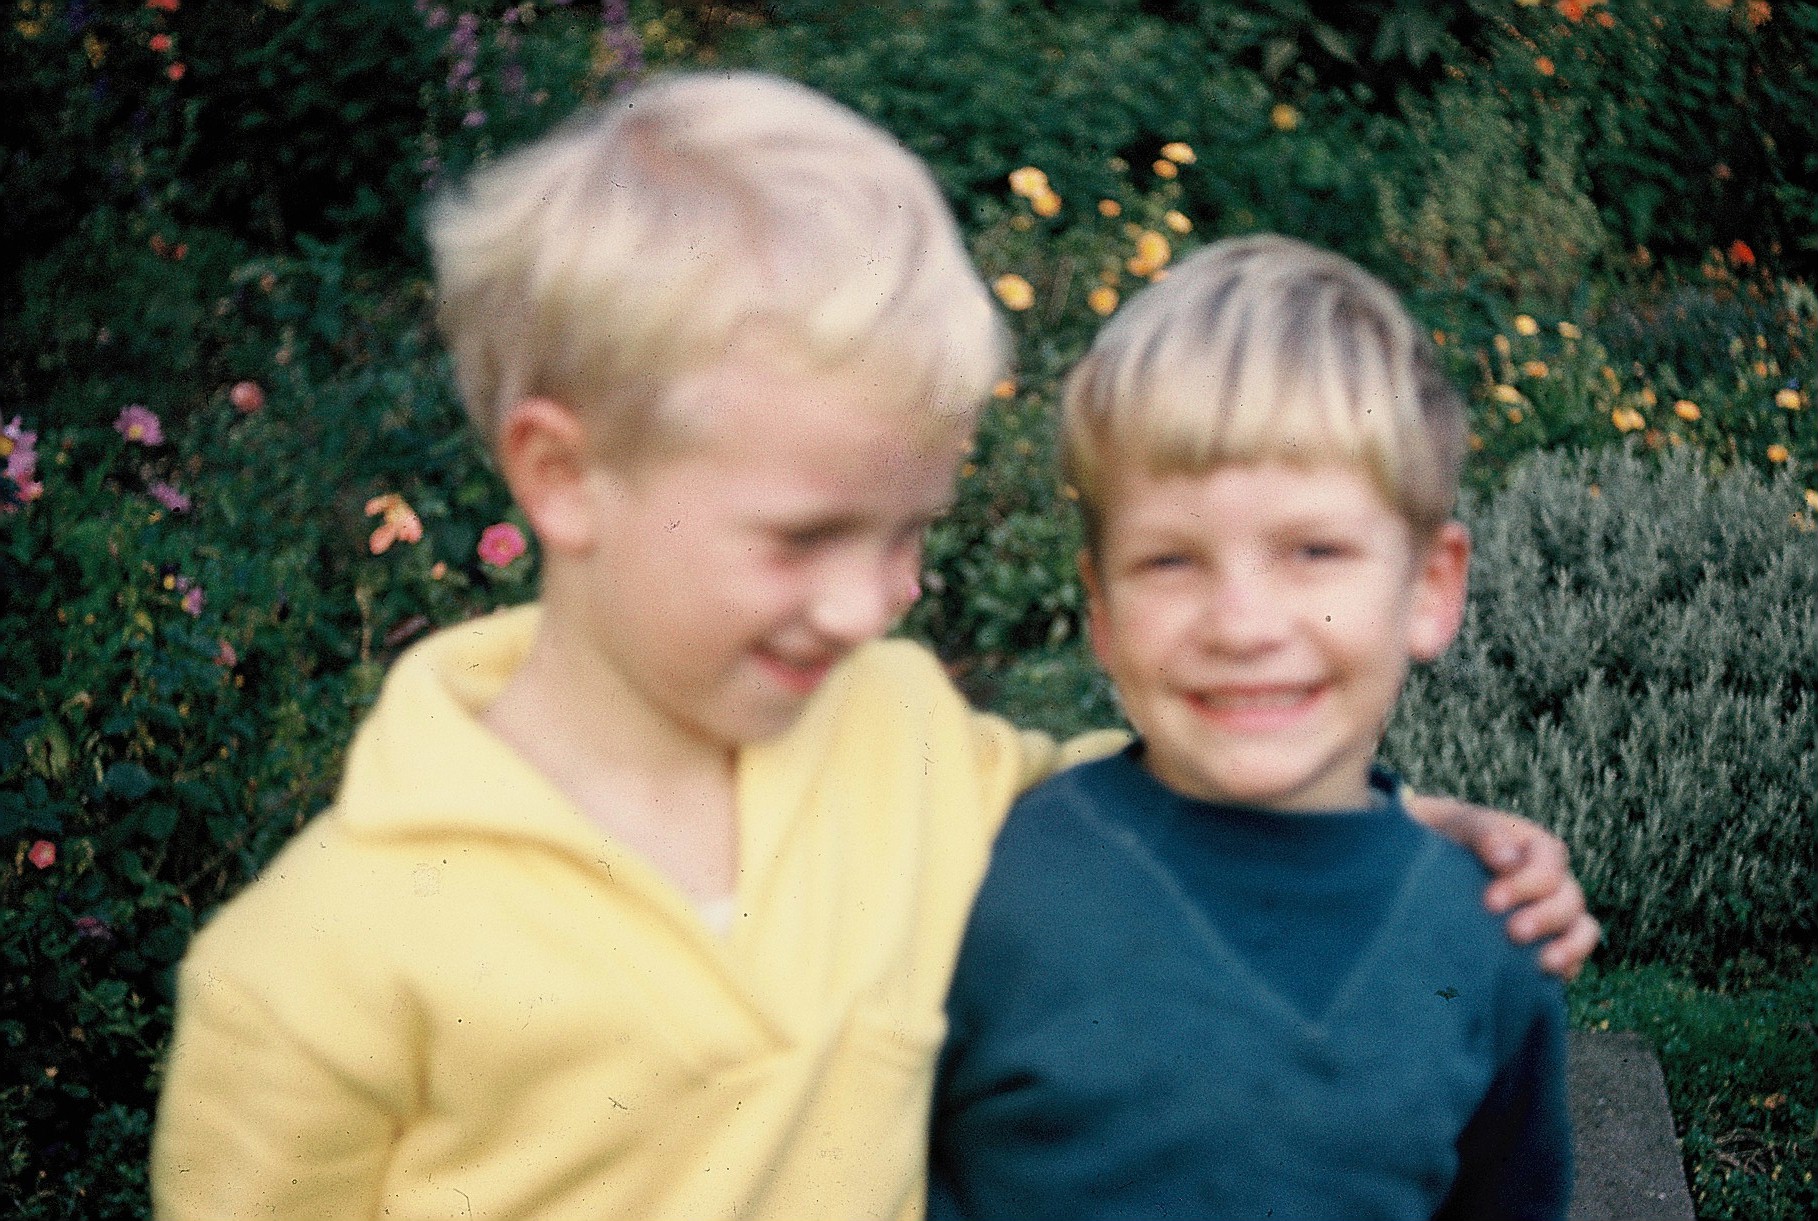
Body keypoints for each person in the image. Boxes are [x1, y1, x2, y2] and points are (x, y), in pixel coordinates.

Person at [151, 75, 1591, 1221]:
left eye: (906, 533)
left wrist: (1409, 823)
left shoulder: (893, 733)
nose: (871, 605)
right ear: (563, 474)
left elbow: (1152, 795)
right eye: (803, 536)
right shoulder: (314, 965)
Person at [930, 234, 1574, 1221]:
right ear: (1100, 607)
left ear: (1431, 587)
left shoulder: (1489, 936)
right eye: (1170, 561)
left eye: (1314, 551)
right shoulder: (989, 889)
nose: (1242, 625)